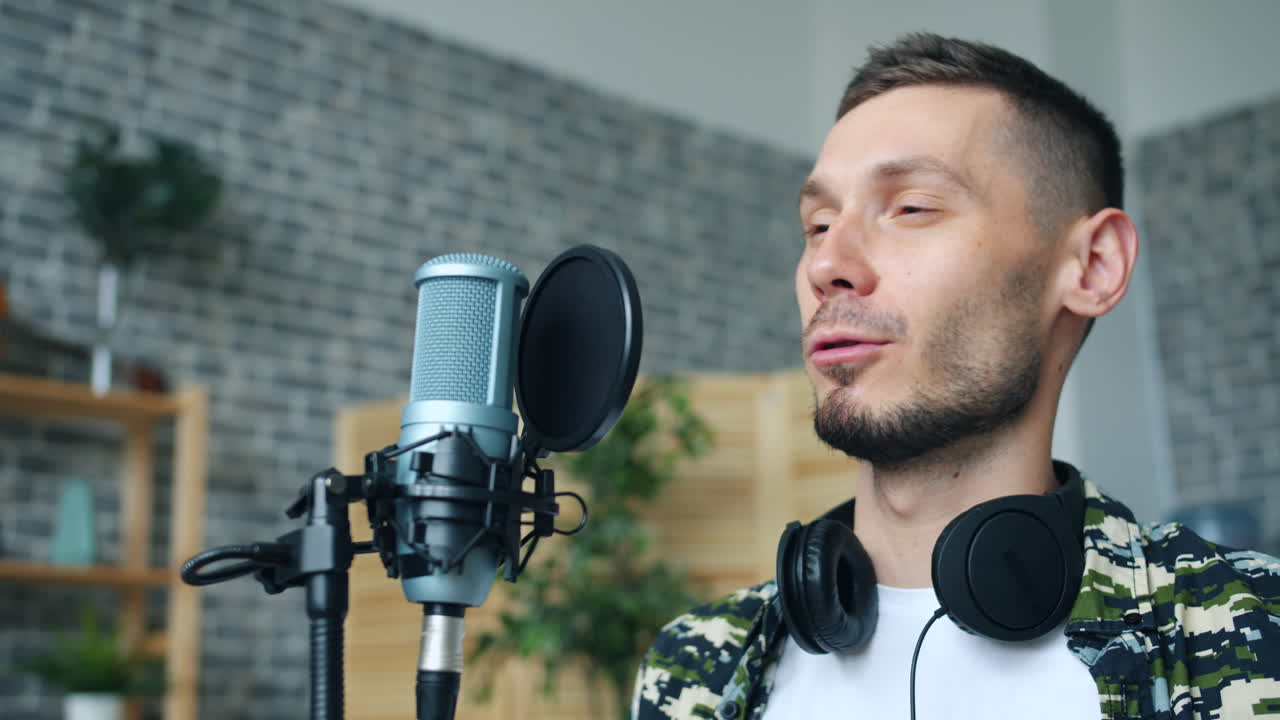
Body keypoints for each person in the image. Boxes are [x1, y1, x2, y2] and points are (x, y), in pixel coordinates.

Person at [631, 33, 1280, 720]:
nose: (827, 266)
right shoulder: (696, 671)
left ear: (1092, 267)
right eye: (818, 226)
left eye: (911, 207)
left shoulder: (1251, 636)